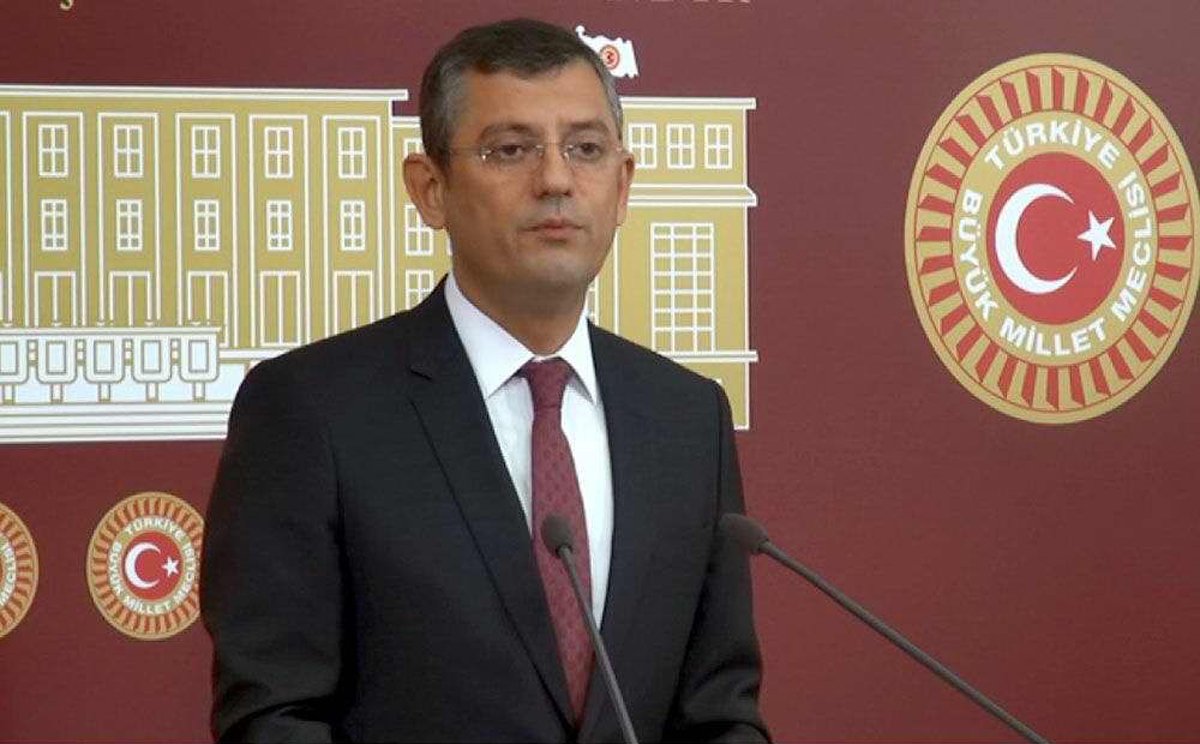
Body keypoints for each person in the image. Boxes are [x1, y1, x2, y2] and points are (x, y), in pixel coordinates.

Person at [201, 18, 768, 743]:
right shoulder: (313, 410)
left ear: (623, 185)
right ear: (430, 189)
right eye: (511, 149)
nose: (556, 180)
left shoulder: (687, 418)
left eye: (586, 149)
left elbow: (722, 716)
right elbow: (274, 717)